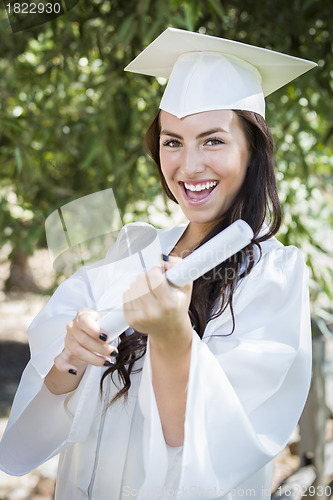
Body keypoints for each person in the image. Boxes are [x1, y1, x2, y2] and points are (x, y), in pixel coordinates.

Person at [0, 28, 316, 499]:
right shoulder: (132, 251)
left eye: (212, 141)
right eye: (172, 142)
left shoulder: (273, 276)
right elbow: (40, 429)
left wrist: (172, 335)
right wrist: (72, 355)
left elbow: (198, 450)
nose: (188, 167)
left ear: (253, 152)